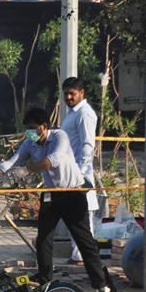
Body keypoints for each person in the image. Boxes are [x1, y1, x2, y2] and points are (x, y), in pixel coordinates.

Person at [0, 107, 111, 292]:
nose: (29, 132)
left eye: (33, 128)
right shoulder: (30, 142)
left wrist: (26, 170)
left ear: (44, 126)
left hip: (72, 193)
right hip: (50, 195)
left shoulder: (59, 137)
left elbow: (50, 162)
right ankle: (45, 279)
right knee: (43, 239)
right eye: (27, 128)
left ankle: (101, 286)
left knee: (84, 240)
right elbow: (13, 160)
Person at [61, 77, 99, 265]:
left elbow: (87, 145)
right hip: (70, 174)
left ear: (81, 93)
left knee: (83, 217)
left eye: (72, 94)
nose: (68, 97)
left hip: (79, 174)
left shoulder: (84, 114)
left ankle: (84, 257)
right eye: (66, 94)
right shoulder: (71, 114)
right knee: (74, 216)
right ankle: (78, 256)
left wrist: (81, 174)